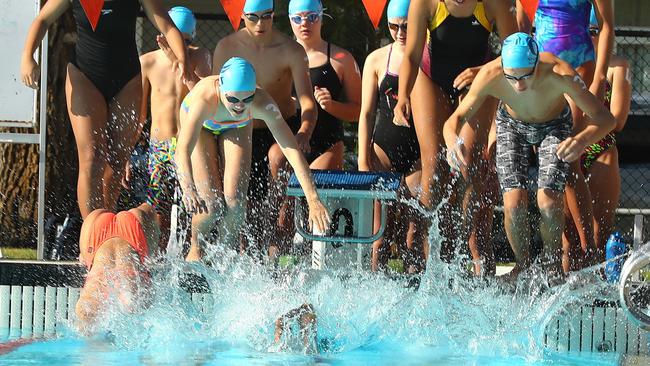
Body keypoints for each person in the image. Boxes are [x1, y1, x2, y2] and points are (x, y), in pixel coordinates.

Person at [443, 33, 616, 280]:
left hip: (554, 126)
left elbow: (605, 119)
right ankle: (522, 265)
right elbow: (454, 121)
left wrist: (581, 140)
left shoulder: (559, 72)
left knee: (547, 200)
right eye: (512, 76)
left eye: (526, 75)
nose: (519, 84)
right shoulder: (491, 75)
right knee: (513, 205)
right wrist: (453, 141)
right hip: (511, 126)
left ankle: (552, 262)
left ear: (537, 64)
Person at [20, 0, 190, 219]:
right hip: (84, 75)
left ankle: (106, 226)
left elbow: (167, 26)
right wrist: (27, 55)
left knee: (117, 160)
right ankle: (92, 233)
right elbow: (42, 19)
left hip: (126, 78)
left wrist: (182, 57)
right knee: (92, 157)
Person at [394, 0, 517, 266]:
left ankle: (464, 247)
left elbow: (514, 50)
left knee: (470, 164)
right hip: (430, 78)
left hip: (478, 79)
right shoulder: (424, 3)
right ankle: (427, 257)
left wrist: (484, 72)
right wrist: (403, 95)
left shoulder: (495, 4)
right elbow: (412, 55)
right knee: (435, 166)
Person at [174, 57, 330, 261]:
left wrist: (313, 198)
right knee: (210, 207)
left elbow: (291, 150)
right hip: (203, 127)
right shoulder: (204, 100)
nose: (239, 106)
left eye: (247, 99)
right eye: (233, 99)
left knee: (236, 206)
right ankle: (196, 251)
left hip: (237, 127)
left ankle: (223, 258)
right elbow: (182, 150)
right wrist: (188, 189)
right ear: (220, 87)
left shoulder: (261, 103)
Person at [211, 0, 318, 258]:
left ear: (274, 14)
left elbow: (307, 101)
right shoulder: (227, 47)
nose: (261, 24)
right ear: (242, 16)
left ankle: (277, 245)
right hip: (239, 130)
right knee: (240, 206)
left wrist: (304, 130)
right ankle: (244, 261)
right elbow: (216, 99)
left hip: (279, 126)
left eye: (267, 16)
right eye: (253, 17)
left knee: (273, 194)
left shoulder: (290, 50)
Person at [517, 0, 615, 270]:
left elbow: (606, 27)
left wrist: (599, 78)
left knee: (566, 156)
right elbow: (522, 24)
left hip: (579, 62)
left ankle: (586, 249)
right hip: (541, 70)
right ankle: (569, 246)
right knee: (555, 163)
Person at [138, 6, 212, 253]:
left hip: (188, 147)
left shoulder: (200, 57)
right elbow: (140, 116)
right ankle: (157, 257)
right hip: (159, 146)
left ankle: (192, 251)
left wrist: (179, 61)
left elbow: (205, 97)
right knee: (158, 206)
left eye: (186, 41)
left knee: (195, 203)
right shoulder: (147, 62)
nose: (181, 46)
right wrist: (129, 150)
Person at [562, 10, 631, 271]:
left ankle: (597, 297)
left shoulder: (617, 66)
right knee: (568, 238)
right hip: (569, 151)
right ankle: (567, 300)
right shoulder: (563, 64)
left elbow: (618, 120)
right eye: (586, 32)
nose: (590, 38)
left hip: (599, 149)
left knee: (598, 234)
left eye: (595, 32)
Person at [357, 0, 422, 272]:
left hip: (420, 153)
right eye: (394, 26)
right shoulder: (376, 59)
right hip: (383, 149)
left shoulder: (427, 56)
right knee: (380, 235)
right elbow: (366, 113)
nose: (400, 32)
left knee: (413, 236)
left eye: (406, 26)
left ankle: (415, 295)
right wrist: (362, 159)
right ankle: (375, 292)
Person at [75, 203, 160, 332]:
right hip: (127, 229)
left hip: (95, 227)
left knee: (87, 318)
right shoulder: (129, 299)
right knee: (132, 303)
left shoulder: (90, 307)